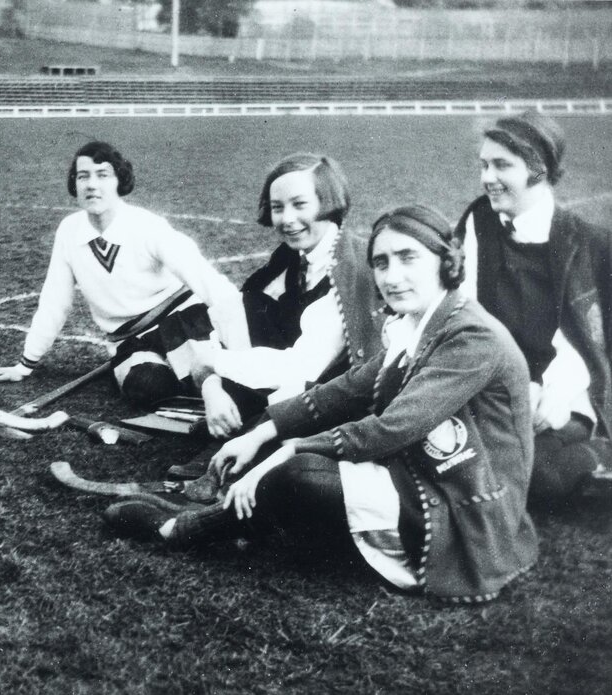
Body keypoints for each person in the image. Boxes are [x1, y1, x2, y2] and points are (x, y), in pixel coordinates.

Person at [102, 205, 538, 603]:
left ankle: (183, 529)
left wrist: (292, 448)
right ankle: (224, 520)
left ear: (445, 261)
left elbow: (392, 428)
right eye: (381, 263)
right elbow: (347, 389)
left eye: (408, 258)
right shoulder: (420, 321)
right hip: (426, 473)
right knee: (288, 455)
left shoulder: (469, 335)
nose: (391, 276)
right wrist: (262, 434)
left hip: (468, 508)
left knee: (298, 471)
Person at [0, 140, 249, 409]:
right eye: (83, 176)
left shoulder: (147, 226)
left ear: (119, 181)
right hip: (129, 340)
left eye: (102, 175)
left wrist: (243, 354)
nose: (92, 184)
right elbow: (54, 303)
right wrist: (25, 364)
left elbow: (211, 284)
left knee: (219, 384)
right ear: (75, 184)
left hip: (182, 322)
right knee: (148, 388)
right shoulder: (69, 231)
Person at [456, 110, 612, 510]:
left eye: (502, 165)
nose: (487, 177)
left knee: (536, 477)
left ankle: (602, 454)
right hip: (494, 386)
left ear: (539, 169)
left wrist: (551, 394)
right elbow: (464, 312)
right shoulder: (478, 222)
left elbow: (592, 344)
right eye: (484, 165)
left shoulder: (592, 244)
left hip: (558, 396)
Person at [187, 153, 382, 439]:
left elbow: (303, 367)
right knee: (253, 305)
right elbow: (235, 316)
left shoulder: (350, 267)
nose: (287, 219)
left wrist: (213, 362)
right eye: (277, 207)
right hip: (301, 379)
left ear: (328, 202)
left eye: (300, 204)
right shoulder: (291, 258)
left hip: (342, 397)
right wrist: (211, 387)